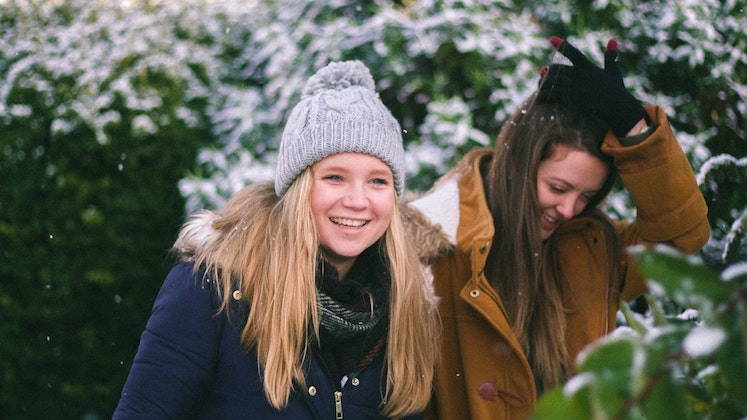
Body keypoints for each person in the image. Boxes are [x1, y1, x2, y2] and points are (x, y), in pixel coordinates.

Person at [113, 60, 440, 419]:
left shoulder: (405, 309)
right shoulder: (212, 293)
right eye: (334, 177)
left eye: (378, 181)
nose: (358, 200)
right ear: (297, 188)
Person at [407, 37, 711, 419]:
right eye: (558, 188)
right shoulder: (436, 245)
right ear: (520, 163)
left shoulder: (592, 248)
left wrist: (633, 127)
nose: (569, 210)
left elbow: (682, 237)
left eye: (587, 196)